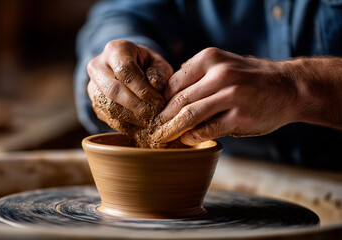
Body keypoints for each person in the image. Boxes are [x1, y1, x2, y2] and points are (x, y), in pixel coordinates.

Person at [74, 0, 342, 170]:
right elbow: (122, 12)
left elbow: (300, 88)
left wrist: (299, 87)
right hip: (220, 180)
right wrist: (119, 60)